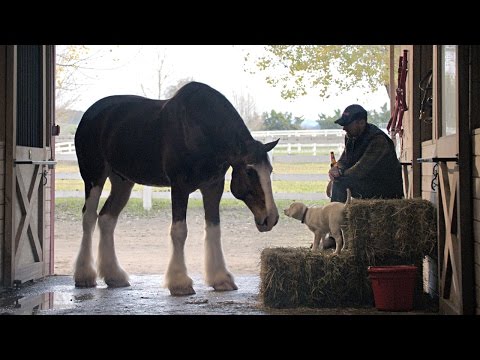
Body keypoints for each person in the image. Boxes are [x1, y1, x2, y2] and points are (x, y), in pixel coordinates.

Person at [328, 104, 404, 203]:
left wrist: (340, 174)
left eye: (347, 124)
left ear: (361, 123)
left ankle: (335, 216)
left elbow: (361, 168)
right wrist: (337, 169)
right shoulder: (351, 137)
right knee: (338, 182)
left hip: (384, 189)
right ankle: (336, 214)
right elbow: (344, 160)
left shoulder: (378, 140)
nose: (344, 128)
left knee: (340, 183)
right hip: (367, 182)